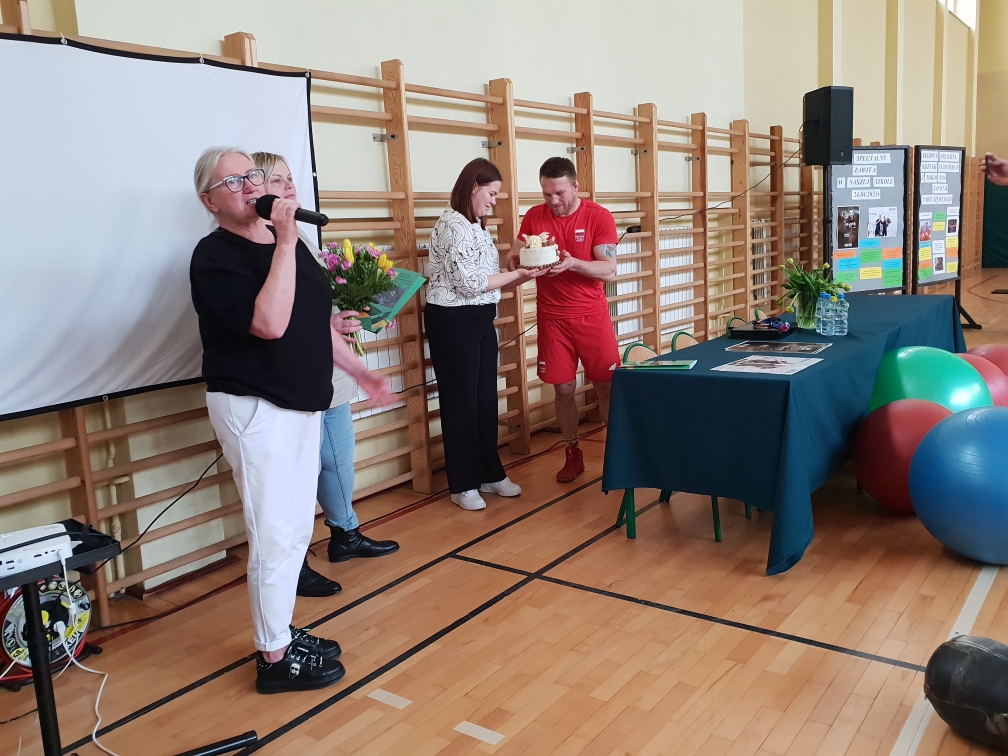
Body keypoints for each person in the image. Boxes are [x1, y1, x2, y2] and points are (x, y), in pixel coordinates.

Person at [190, 147, 394, 694]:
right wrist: (283, 240)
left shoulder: (289, 243)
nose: (250, 185)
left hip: (302, 402)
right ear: (209, 201)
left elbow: (314, 321)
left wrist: (360, 371)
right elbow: (271, 323)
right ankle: (273, 657)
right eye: (233, 180)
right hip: (255, 408)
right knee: (275, 533)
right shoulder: (215, 256)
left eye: (252, 175)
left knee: (298, 527)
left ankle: (279, 629)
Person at [251, 152, 400, 600]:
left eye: (291, 178)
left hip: (328, 369)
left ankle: (345, 533)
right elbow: (276, 317)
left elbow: (314, 305)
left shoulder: (300, 239)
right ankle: (293, 565)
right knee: (297, 476)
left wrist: (347, 318)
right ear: (257, 193)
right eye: (278, 181)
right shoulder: (260, 245)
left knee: (338, 460)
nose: (290, 187)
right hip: (291, 380)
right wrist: (327, 324)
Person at [426, 158, 546, 511]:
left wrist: (526, 272)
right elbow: (471, 284)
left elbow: (492, 280)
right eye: (491, 193)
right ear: (474, 187)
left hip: (479, 319)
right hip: (452, 320)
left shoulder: (476, 225)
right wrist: (521, 274)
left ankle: (489, 472)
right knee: (460, 401)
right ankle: (462, 483)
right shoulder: (453, 225)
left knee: (483, 399)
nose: (494, 201)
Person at [506, 157, 618, 483]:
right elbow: (513, 257)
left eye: (559, 193)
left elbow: (609, 270)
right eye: (546, 194)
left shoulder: (598, 216)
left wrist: (573, 264)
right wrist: (519, 261)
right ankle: (572, 452)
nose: (553, 201)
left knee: (606, 386)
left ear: (575, 187)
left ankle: (617, 453)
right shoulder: (534, 216)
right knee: (564, 388)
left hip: (591, 315)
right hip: (552, 317)